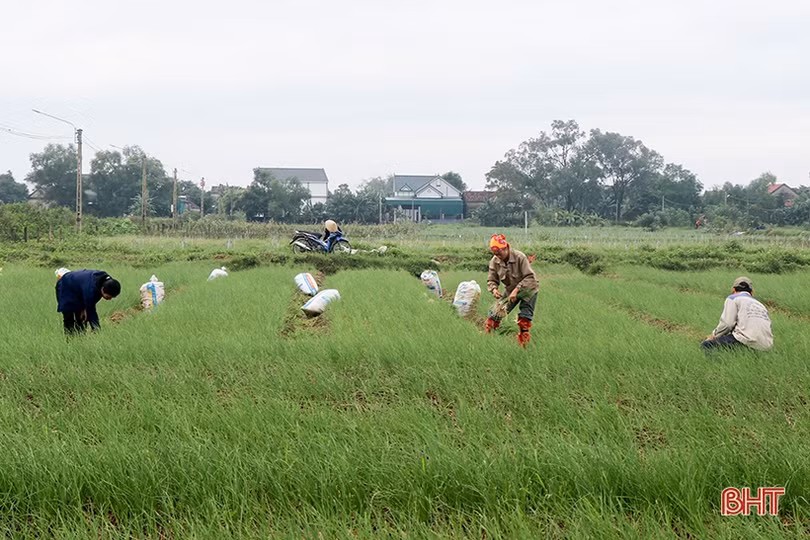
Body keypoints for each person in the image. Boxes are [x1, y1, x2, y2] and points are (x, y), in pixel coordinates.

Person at [485, 234, 539, 347]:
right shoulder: (495, 261)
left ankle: (523, 345)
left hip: (528, 289)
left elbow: (530, 277)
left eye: (499, 253)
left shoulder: (520, 257)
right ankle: (487, 341)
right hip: (510, 290)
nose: (497, 256)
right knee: (495, 315)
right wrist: (494, 289)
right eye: (495, 254)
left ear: (506, 248)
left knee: (524, 319)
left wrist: (517, 289)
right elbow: (491, 279)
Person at [701, 276, 773, 351]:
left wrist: (714, 335)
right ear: (752, 292)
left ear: (733, 290)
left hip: (745, 340)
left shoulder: (733, 298)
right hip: (766, 346)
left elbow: (727, 324)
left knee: (707, 345)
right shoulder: (761, 305)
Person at [56, 269, 120, 335]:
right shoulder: (91, 289)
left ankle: (81, 338)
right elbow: (91, 311)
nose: (110, 299)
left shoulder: (108, 282)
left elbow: (90, 303)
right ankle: (69, 338)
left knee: (82, 319)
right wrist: (96, 329)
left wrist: (84, 308)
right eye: (108, 297)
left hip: (80, 289)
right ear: (102, 289)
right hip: (65, 285)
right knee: (69, 317)